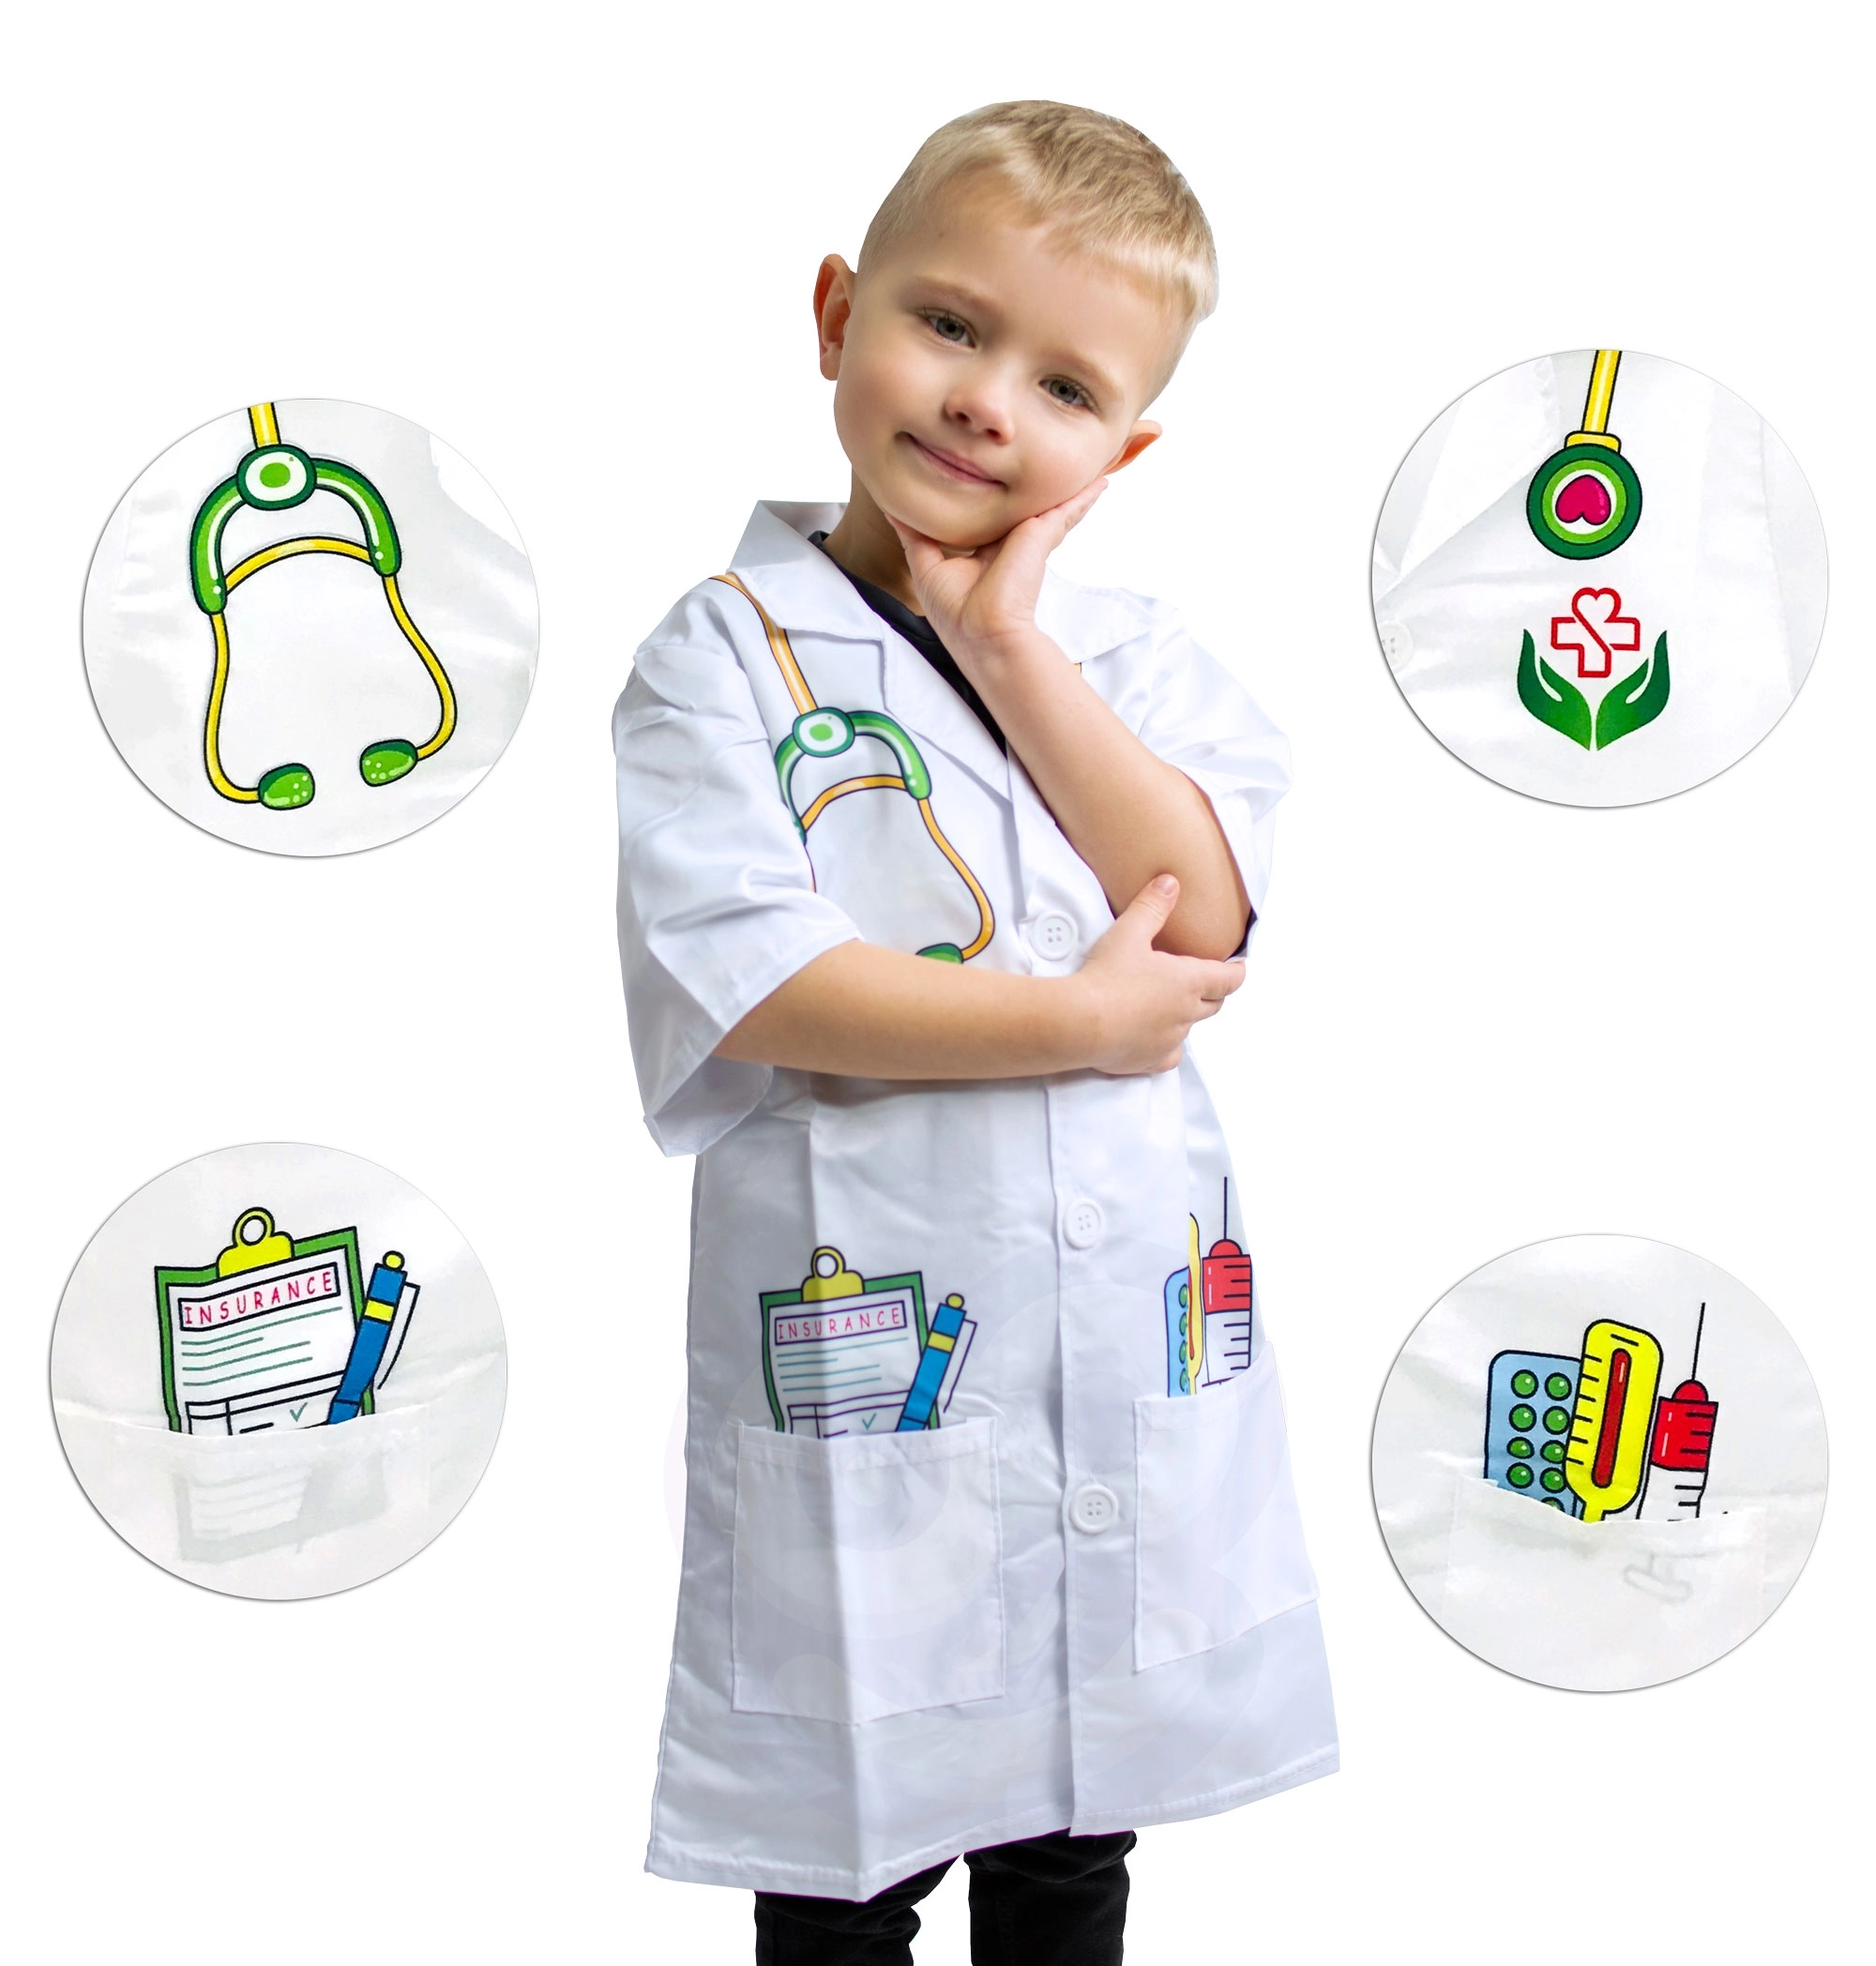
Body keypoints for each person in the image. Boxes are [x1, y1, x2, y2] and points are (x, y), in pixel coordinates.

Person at [614, 99, 1337, 1964]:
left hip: (1110, 1345)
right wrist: (1077, 1021)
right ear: (835, 313)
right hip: (869, 1340)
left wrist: (1012, 644)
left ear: (1124, 450)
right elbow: (762, 978)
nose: (984, 402)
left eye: (1064, 386)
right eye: (948, 323)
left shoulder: (1134, 659)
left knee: (1075, 1831)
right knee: (848, 1854)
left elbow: (1206, 907)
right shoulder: (720, 657)